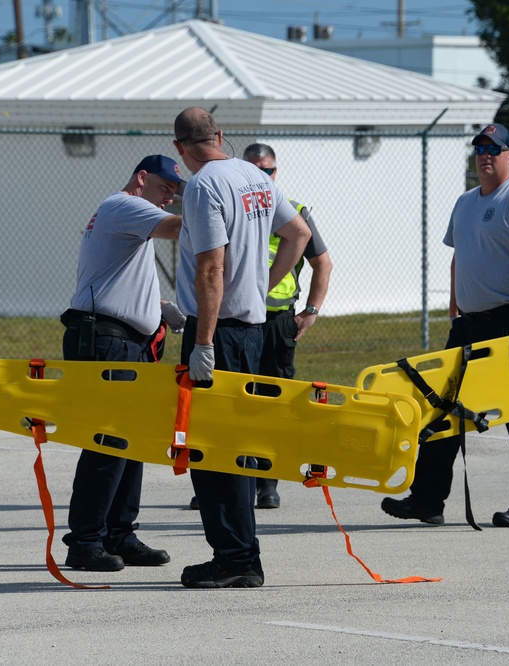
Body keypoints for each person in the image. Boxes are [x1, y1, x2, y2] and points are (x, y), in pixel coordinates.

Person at [380, 123, 509, 528]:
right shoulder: (465, 202)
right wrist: (455, 309)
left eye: (494, 148)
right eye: (479, 148)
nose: (485, 154)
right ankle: (427, 500)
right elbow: (460, 257)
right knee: (441, 409)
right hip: (469, 323)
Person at [173, 107, 311, 588]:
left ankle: (235, 557)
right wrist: (259, 286)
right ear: (221, 136)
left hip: (220, 332)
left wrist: (204, 342)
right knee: (238, 445)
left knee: (213, 451)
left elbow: (211, 268)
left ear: (180, 148)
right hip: (251, 330)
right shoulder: (254, 175)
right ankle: (239, 553)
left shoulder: (204, 185)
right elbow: (299, 236)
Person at [59, 154, 188, 571]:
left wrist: (158, 306)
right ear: (142, 178)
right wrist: (224, 210)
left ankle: (119, 533)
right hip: (107, 340)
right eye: (166, 189)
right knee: (109, 440)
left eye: (174, 193)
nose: (169, 199)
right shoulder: (125, 205)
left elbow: (117, 280)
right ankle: (85, 541)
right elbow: (179, 228)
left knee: (132, 443)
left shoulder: (127, 215)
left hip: (121, 340)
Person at [187, 143, 332, 511]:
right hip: (240, 317)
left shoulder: (289, 208)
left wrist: (310, 309)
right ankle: (231, 480)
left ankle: (267, 481)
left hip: (276, 319)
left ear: (275, 174)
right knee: (234, 408)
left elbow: (322, 262)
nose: (261, 177)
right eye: (255, 170)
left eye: (267, 172)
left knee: (269, 403)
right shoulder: (242, 201)